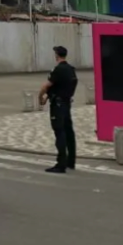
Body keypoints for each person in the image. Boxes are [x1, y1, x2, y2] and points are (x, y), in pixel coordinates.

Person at [39, 45, 78, 173]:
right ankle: (70, 161)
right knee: (69, 132)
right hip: (67, 103)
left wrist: (41, 96)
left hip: (58, 105)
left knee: (59, 132)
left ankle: (60, 163)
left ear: (56, 55)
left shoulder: (58, 70)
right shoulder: (71, 69)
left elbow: (46, 86)